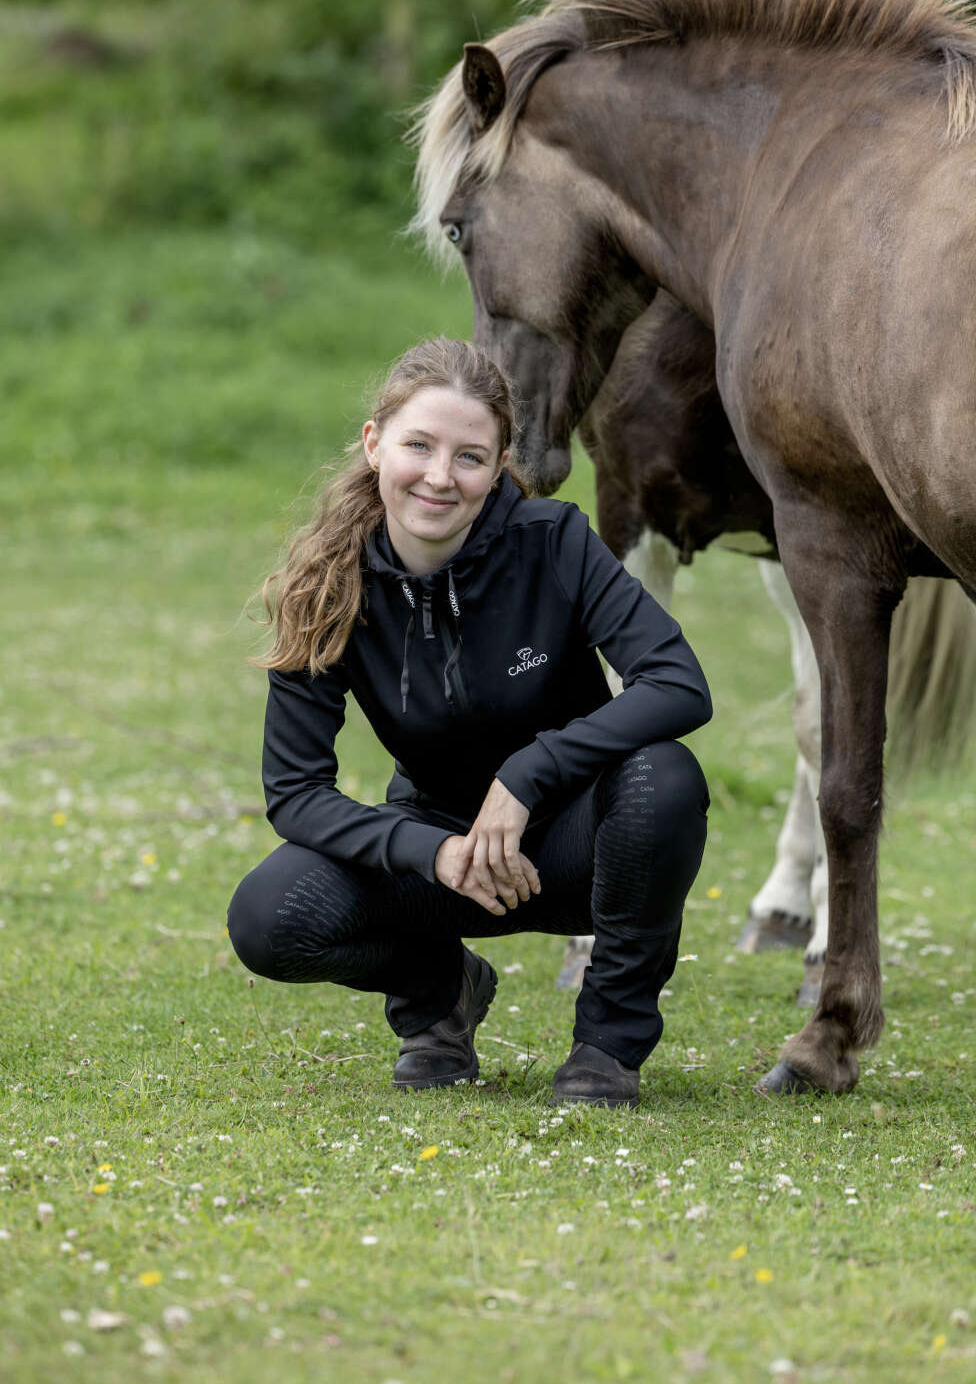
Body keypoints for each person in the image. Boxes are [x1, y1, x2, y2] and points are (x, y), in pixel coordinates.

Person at [227, 338, 712, 1106]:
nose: (438, 477)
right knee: (267, 917)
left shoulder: (555, 542)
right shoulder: (324, 583)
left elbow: (679, 685)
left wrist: (529, 773)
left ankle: (606, 1047)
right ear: (374, 442)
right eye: (418, 445)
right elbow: (294, 793)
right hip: (441, 863)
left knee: (663, 775)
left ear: (498, 466)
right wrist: (433, 850)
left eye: (469, 457)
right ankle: (440, 995)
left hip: (575, 849)